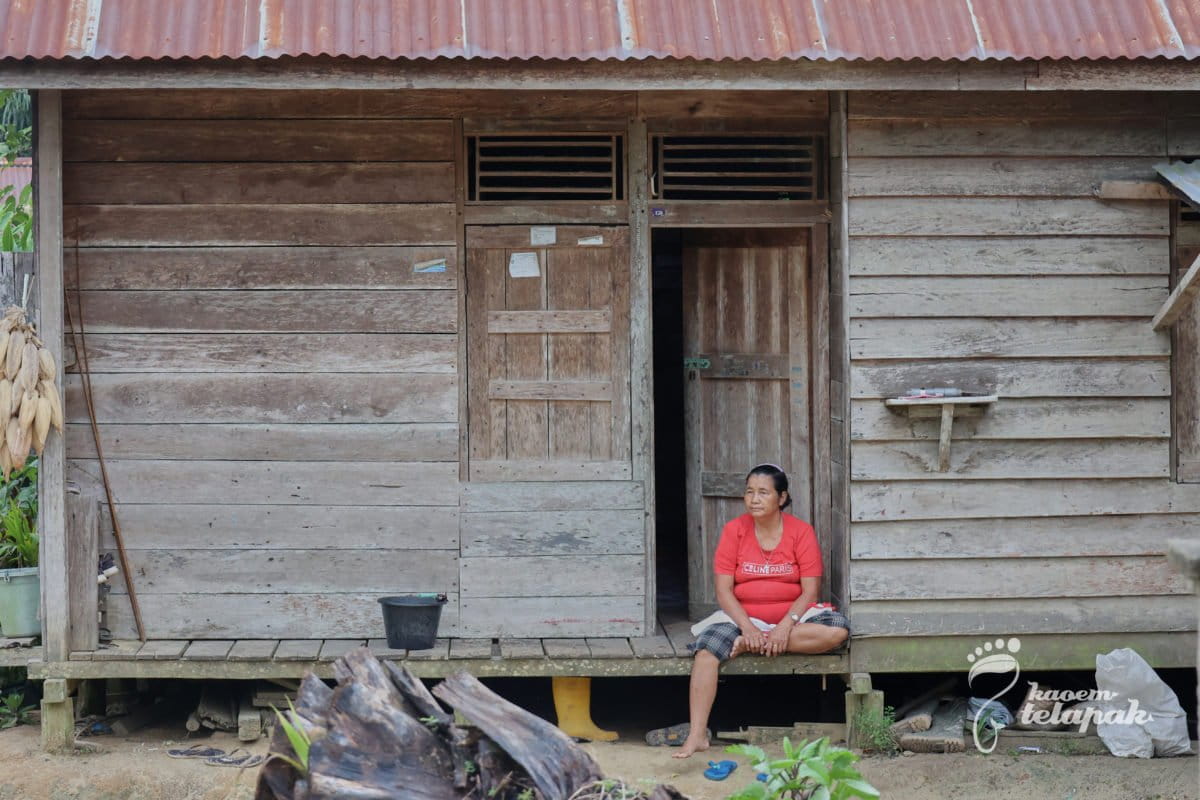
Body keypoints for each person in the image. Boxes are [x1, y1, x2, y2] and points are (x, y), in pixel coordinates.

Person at [671, 463, 849, 759]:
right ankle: (698, 733)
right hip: (742, 615)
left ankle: (750, 646)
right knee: (706, 653)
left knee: (837, 630)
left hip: (794, 615)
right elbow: (724, 591)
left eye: (763, 492)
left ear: (781, 498)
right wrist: (748, 628)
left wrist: (783, 626)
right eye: (750, 492)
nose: (754, 498)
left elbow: (810, 591)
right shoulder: (734, 531)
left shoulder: (800, 532)